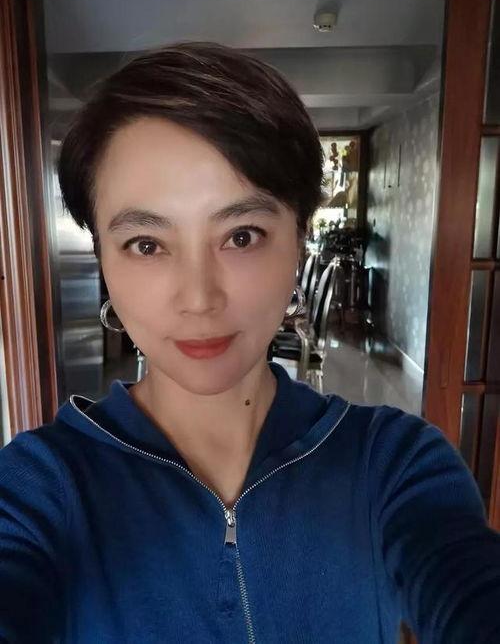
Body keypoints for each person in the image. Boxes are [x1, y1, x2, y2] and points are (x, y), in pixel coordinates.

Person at [0, 42, 499, 644]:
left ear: (299, 240)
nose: (199, 298)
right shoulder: (39, 486)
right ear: (103, 257)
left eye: (242, 235)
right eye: (147, 244)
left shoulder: (392, 464)